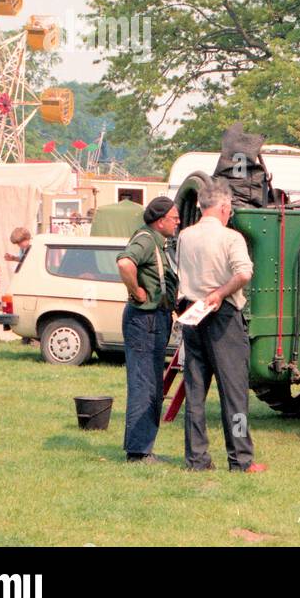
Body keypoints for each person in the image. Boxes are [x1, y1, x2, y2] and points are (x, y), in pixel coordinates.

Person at [176, 178, 263, 473]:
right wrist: (220, 293)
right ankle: (240, 459)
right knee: (234, 392)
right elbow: (244, 273)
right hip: (222, 315)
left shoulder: (185, 236)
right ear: (225, 207)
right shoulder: (231, 238)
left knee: (195, 391)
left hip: (192, 313)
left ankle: (196, 459)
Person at [115, 197, 180, 463]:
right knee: (145, 384)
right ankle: (139, 452)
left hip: (156, 318)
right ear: (160, 220)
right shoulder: (145, 239)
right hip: (145, 320)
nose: (178, 221)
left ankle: (143, 448)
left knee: (152, 383)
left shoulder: (158, 242)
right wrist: (137, 291)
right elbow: (124, 263)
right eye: (174, 217)